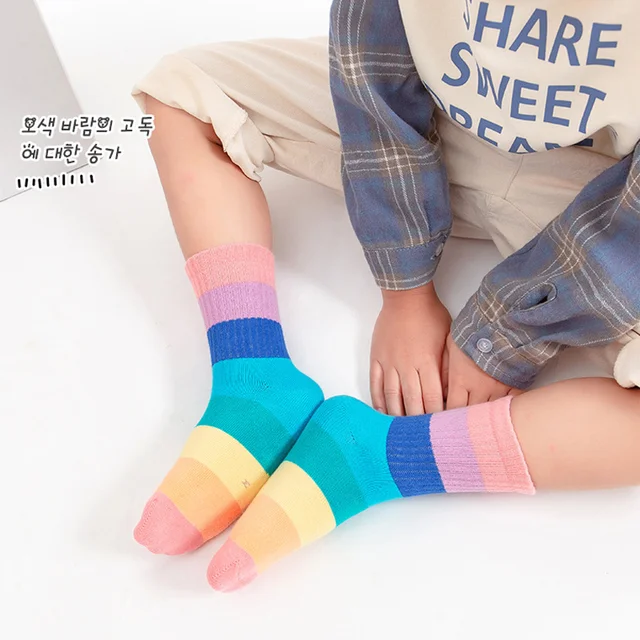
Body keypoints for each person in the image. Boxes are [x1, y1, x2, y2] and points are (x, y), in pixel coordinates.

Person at [131, 0, 640, 590]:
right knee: (182, 93)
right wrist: (406, 290)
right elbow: (370, 59)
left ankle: (378, 455)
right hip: (442, 126)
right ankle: (254, 379)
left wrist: (506, 333)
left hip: (608, 189)